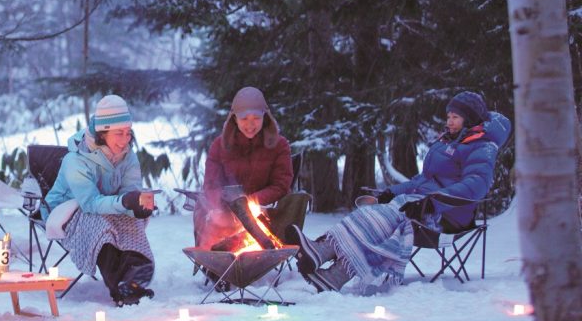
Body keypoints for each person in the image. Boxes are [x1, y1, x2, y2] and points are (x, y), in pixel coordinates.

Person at [290, 91, 510, 294]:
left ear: (469, 119)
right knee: (373, 214)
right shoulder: (446, 142)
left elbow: (477, 184)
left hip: (450, 214)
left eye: (455, 117)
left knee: (382, 218)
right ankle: (329, 265)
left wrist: (433, 203)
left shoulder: (482, 146)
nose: (449, 121)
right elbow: (423, 180)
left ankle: (327, 260)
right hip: (421, 203)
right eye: (449, 116)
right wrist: (390, 193)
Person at [42, 94, 157, 306]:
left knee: (131, 220)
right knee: (99, 223)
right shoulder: (75, 160)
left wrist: (137, 207)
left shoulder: (128, 157)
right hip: (65, 210)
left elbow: (129, 192)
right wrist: (124, 203)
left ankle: (135, 274)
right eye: (119, 134)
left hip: (104, 205)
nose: (125, 140)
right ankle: (119, 285)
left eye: (128, 133)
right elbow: (90, 204)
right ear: (102, 134)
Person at [194, 86, 308, 249]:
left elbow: (281, 185)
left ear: (265, 117)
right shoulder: (220, 146)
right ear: (234, 118)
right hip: (226, 215)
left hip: (264, 215)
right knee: (202, 207)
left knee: (295, 200)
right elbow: (211, 186)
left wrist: (252, 201)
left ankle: (264, 253)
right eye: (244, 118)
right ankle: (213, 260)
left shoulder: (279, 145)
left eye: (256, 118)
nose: (250, 124)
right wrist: (220, 205)